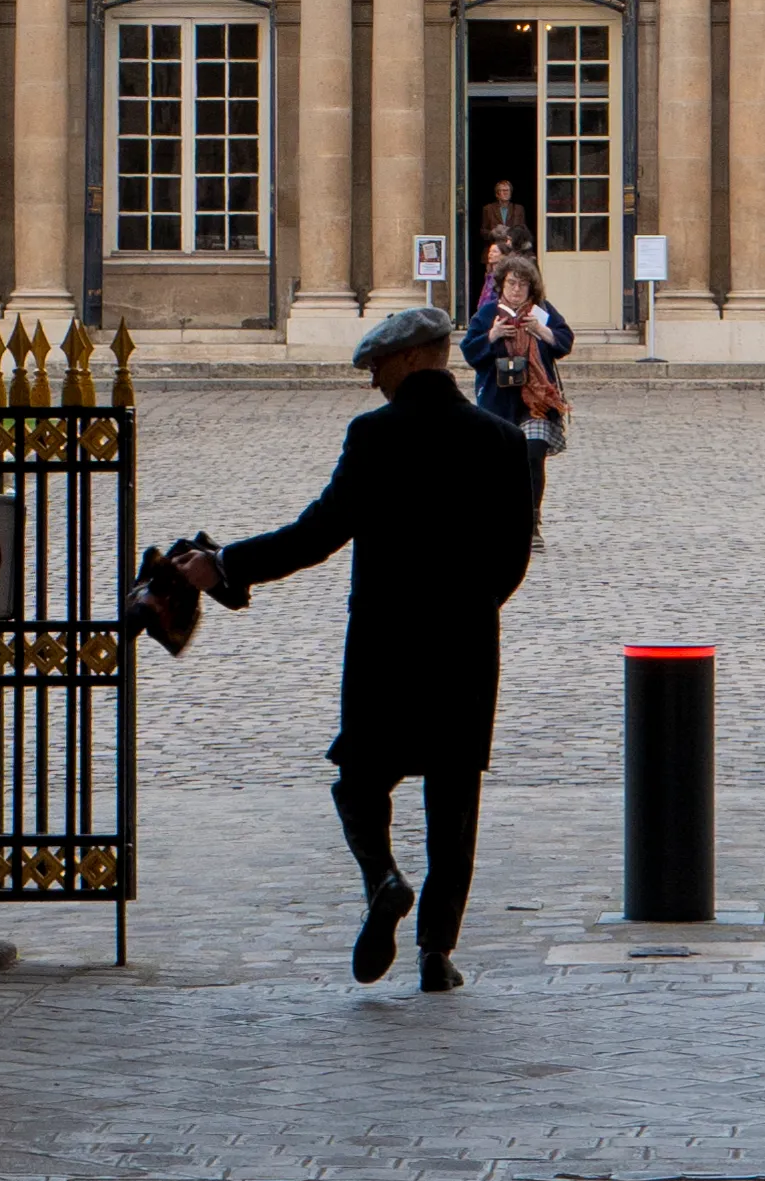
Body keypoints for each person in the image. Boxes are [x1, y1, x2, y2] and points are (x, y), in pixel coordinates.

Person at [175, 303, 532, 993]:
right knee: (453, 802)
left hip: (384, 642)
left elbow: (318, 533)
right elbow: (511, 557)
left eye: (375, 368)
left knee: (360, 780)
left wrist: (224, 565)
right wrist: (467, 609)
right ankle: (435, 953)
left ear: (407, 359)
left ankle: (382, 879)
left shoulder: (375, 436)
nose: (371, 381)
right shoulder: (499, 440)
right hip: (465, 644)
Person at [462, 255, 573, 550]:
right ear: (501, 285)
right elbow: (470, 352)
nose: (516, 290)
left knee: (532, 455)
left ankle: (531, 521)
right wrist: (493, 334)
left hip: (536, 399)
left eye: (523, 284)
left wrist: (542, 331)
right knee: (501, 464)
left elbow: (565, 341)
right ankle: (502, 519)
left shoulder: (542, 312)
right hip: (498, 400)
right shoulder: (487, 314)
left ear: (531, 288)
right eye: (512, 283)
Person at [477, 179, 534, 257]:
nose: (506, 193)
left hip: (513, 250)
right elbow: (483, 231)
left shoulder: (518, 209)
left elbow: (522, 230)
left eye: (508, 190)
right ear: (497, 194)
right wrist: (493, 233)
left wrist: (512, 235)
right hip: (494, 249)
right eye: (503, 191)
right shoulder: (488, 208)